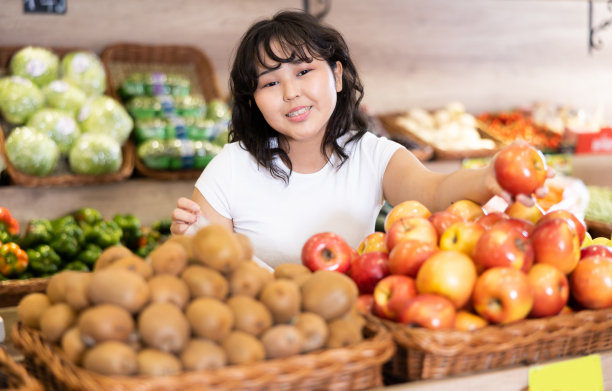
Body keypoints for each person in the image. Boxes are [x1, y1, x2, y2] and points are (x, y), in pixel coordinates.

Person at [170, 10, 546, 269]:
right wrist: (189, 241)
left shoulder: (373, 156)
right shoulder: (231, 167)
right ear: (254, 102)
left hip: (353, 335)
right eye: (270, 82)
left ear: (336, 75)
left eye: (304, 71)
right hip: (264, 343)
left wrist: (488, 177)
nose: (290, 93)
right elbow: (211, 275)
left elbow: (434, 192)